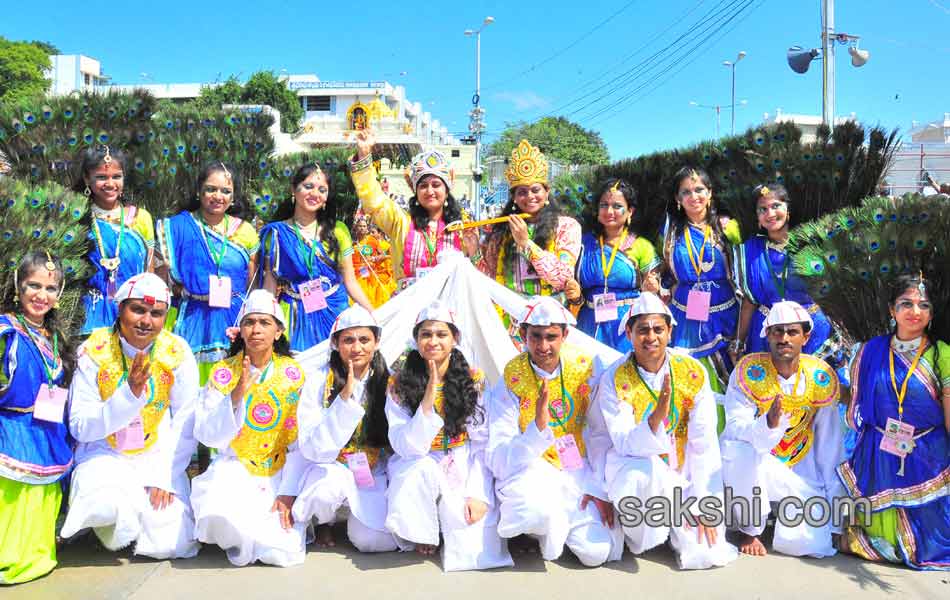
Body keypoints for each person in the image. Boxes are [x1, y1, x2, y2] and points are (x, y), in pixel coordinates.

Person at [592, 292, 737, 569]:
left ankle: (675, 524)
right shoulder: (614, 377)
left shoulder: (692, 372)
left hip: (683, 474)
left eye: (658, 329)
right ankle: (639, 532)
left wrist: (704, 503)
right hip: (636, 468)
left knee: (705, 554)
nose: (651, 337)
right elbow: (622, 442)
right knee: (641, 473)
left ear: (670, 331)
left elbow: (704, 443)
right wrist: (654, 420)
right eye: (642, 330)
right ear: (629, 334)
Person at [62, 273, 200, 559]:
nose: (146, 321)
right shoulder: (93, 351)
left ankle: (136, 514)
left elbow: (186, 419)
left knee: (170, 544)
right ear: (120, 308)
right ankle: (116, 513)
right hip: (104, 453)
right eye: (137, 309)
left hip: (156, 455)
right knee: (106, 504)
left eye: (156, 313)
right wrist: (129, 395)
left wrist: (166, 476)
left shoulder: (176, 351)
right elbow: (79, 426)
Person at [487, 296, 622, 567]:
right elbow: (498, 449)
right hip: (532, 468)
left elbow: (600, 431)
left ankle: (556, 526)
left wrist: (599, 487)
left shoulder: (586, 367)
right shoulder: (513, 376)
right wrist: (537, 429)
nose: (543, 346)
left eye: (551, 337)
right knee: (534, 509)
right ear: (523, 334)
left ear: (565, 336)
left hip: (578, 467)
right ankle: (541, 529)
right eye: (535, 336)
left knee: (596, 553)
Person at [384, 301, 512, 571]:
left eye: (441, 334)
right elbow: (405, 445)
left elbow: (481, 442)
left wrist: (478, 494)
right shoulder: (399, 381)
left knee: (472, 547)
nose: (433, 341)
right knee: (417, 472)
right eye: (426, 334)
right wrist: (428, 397)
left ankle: (446, 525)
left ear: (454, 339)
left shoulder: (472, 378)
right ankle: (423, 530)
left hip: (461, 459)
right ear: (416, 340)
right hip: (418, 460)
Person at [191, 290, 311, 567]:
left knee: (281, 552)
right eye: (250, 322)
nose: (256, 329)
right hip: (235, 466)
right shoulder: (223, 372)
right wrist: (236, 396)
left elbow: (301, 440)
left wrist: (289, 490)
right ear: (241, 330)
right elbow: (206, 434)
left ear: (279, 331)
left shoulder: (295, 373)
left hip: (280, 470)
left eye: (265, 323)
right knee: (220, 515)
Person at [837, 275, 949, 570]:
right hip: (880, 451)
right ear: (891, 310)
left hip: (927, 454)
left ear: (932, 313)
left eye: (924, 305)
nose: (915, 311)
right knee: (873, 539)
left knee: (934, 542)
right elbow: (857, 405)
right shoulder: (869, 351)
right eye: (906, 304)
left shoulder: (942, 355)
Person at [720, 301, 844, 558]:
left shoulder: (820, 376)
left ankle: (799, 519)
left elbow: (830, 447)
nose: (784, 338)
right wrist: (767, 424)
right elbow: (735, 428)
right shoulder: (748, 372)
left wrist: (835, 521)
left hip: (801, 471)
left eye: (792, 332)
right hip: (757, 464)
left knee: (806, 545)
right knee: (738, 451)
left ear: (805, 337)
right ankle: (750, 529)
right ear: (766, 335)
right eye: (777, 331)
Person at [294, 305, 396, 552]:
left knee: (373, 542)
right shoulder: (319, 380)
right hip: (331, 465)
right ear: (335, 344)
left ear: (377, 342)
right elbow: (313, 448)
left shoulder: (388, 379)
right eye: (348, 340)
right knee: (325, 492)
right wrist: (345, 399)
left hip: (373, 470)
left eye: (364, 340)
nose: (357, 348)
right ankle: (323, 521)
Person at [0, 252, 75, 584]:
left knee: (42, 499)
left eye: (50, 288)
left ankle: (35, 557)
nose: (41, 295)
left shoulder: (56, 339)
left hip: (47, 431)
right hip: (12, 429)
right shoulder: (6, 331)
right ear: (18, 287)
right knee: (13, 498)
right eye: (33, 285)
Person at [156, 161, 259, 382]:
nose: (218, 196)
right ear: (198, 191)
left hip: (233, 318)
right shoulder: (177, 227)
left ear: (233, 197)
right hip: (190, 314)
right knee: (187, 384)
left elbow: (252, 281)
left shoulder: (246, 231)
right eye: (211, 189)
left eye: (226, 191)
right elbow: (161, 276)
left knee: (231, 384)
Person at [260, 163, 372, 352]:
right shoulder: (276, 234)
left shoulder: (339, 231)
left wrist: (373, 314)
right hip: (293, 313)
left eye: (322, 189)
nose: (315, 194)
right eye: (308, 186)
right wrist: (262, 319)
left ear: (327, 197)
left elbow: (351, 282)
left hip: (335, 311)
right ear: (293, 190)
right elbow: (269, 286)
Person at [350, 129, 478, 291]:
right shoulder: (401, 222)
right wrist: (364, 155)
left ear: (446, 190)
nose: (430, 191)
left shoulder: (460, 228)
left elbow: (473, 277)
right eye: (423, 186)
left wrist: (473, 253)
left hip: (448, 308)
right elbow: (374, 200)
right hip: (408, 308)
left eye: (436, 185)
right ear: (415, 191)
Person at [732, 184, 836, 361]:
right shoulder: (749, 251)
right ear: (758, 218)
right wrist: (739, 342)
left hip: (810, 330)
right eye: (762, 209)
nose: (770, 214)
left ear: (788, 210)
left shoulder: (813, 244)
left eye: (775, 206)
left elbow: (833, 294)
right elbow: (750, 301)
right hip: (767, 332)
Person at [660, 167, 741, 395]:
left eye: (699, 190)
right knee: (688, 382)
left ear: (710, 193)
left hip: (725, 314)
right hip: (684, 315)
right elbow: (666, 270)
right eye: (686, 192)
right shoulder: (670, 232)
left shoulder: (728, 228)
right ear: (677, 199)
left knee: (729, 382)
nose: (693, 196)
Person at [477, 141, 581, 302]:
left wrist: (526, 244)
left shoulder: (566, 226)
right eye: (522, 192)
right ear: (514, 198)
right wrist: (473, 250)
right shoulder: (502, 229)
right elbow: (489, 276)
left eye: (536, 190)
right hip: (509, 315)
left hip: (549, 317)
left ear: (547, 192)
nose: (530, 196)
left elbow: (563, 279)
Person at [565, 178, 661, 352]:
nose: (609, 211)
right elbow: (575, 293)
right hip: (589, 323)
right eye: (604, 205)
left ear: (630, 211)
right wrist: (575, 296)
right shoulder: (582, 245)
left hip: (627, 326)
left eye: (617, 206)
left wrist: (652, 289)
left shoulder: (642, 246)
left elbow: (656, 293)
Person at [73, 145, 155, 336]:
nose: (110, 183)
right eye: (101, 177)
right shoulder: (77, 217)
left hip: (133, 315)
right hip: (88, 317)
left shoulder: (140, 218)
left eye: (116, 177)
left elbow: (149, 274)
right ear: (87, 179)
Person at [350, 215, 397, 308]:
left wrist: (374, 259)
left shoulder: (372, 240)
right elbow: (346, 257)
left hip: (371, 276)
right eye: (360, 226)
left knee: (370, 300)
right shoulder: (352, 243)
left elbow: (383, 255)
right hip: (357, 275)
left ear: (367, 228)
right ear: (356, 228)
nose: (362, 228)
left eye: (364, 226)